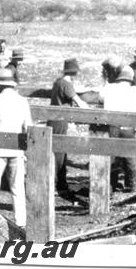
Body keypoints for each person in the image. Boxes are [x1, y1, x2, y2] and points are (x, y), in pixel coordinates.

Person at [0, 67, 33, 228]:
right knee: (17, 188)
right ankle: (21, 221)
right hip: (16, 150)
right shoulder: (22, 101)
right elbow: (28, 127)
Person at [100, 66, 136, 192]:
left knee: (113, 156)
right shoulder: (134, 91)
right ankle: (131, 185)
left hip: (112, 126)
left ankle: (111, 185)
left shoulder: (109, 88)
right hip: (128, 127)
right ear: (130, 79)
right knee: (129, 156)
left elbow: (100, 99)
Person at [49, 58, 89, 193]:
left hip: (53, 119)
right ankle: (58, 185)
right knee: (59, 153)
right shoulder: (67, 84)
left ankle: (59, 183)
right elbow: (78, 102)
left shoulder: (58, 82)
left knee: (57, 152)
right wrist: (89, 109)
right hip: (61, 121)